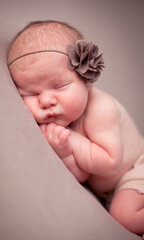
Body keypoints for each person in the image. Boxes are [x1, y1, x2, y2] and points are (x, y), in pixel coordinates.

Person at [7, 20, 144, 238]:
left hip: (135, 168)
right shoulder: (58, 123)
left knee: (124, 216)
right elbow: (83, 174)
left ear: (85, 79)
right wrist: (64, 152)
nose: (46, 100)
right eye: (30, 94)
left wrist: (72, 140)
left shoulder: (101, 109)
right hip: (112, 186)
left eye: (59, 86)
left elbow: (110, 163)